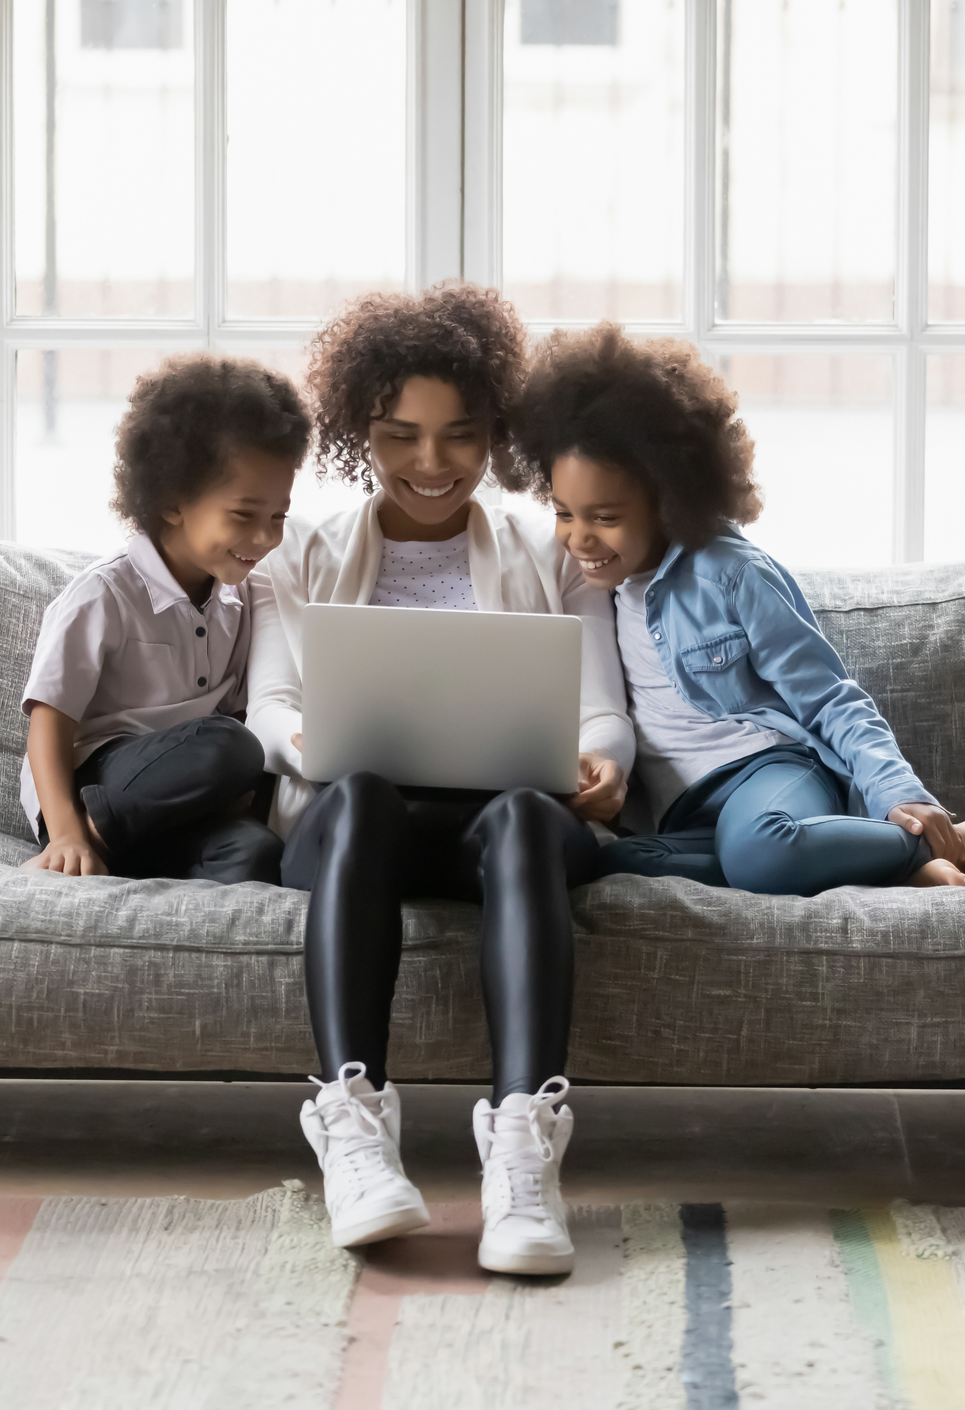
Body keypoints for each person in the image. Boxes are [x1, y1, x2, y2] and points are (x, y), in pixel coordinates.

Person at [245, 284, 634, 1275]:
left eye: (460, 437)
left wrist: (605, 763)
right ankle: (354, 1128)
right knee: (364, 788)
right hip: (356, 826)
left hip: (502, 833)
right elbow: (267, 709)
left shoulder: (553, 549)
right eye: (399, 435)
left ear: (498, 434)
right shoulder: (298, 554)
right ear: (355, 433)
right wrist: (314, 738)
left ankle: (520, 1148)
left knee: (516, 812)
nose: (431, 464)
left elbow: (600, 710)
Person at [511, 322, 965, 894]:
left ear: (669, 496)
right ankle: (867, 860)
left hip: (768, 773)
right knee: (605, 867)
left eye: (605, 518)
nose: (578, 539)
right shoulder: (589, 586)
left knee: (758, 849)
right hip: (686, 814)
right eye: (563, 512)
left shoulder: (732, 573)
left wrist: (901, 792)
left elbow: (830, 698)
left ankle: (954, 843)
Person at [18, 354, 306, 885]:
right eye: (244, 515)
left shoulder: (244, 602)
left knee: (258, 853)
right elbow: (48, 724)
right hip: (99, 783)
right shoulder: (103, 595)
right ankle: (93, 838)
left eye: (279, 517)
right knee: (230, 746)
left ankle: (125, 857)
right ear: (173, 502)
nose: (266, 538)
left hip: (182, 810)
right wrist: (65, 832)